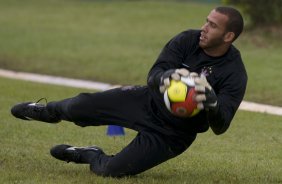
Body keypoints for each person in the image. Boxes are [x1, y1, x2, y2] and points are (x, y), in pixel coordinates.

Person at [11, 6, 247, 177]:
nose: (204, 28)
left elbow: (221, 125)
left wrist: (213, 104)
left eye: (212, 26)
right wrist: (166, 78)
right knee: (77, 107)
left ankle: (91, 154)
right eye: (206, 21)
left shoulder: (234, 72)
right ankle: (46, 111)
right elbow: (154, 73)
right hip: (145, 101)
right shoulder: (188, 39)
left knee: (111, 171)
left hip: (173, 134)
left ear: (228, 36)